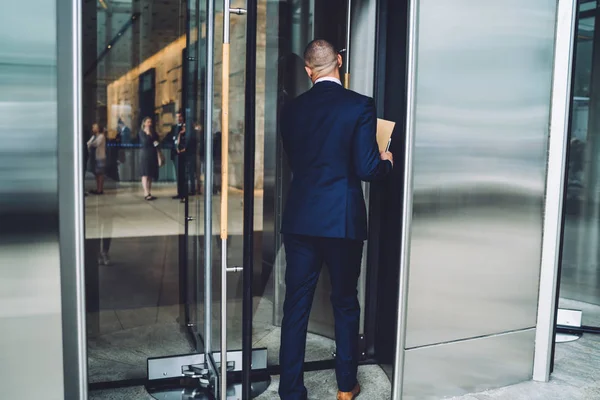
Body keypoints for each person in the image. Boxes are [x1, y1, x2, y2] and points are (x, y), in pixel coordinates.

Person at [278, 39, 394, 400]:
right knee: (344, 301)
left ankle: (291, 391)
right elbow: (366, 168)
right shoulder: (359, 105)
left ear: (309, 71)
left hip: (300, 220)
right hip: (342, 222)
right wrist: (386, 159)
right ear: (339, 63)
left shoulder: (291, 110)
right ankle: (346, 387)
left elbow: (300, 161)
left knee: (296, 306)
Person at [165, 110, 186, 199]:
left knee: (183, 174)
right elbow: (167, 139)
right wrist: (173, 146)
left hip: (183, 154)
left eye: (180, 117)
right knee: (178, 174)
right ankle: (179, 192)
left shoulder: (185, 128)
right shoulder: (174, 128)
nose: (178, 119)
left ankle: (184, 193)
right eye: (177, 117)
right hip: (175, 154)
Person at [138, 117, 160, 200]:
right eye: (148, 122)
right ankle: (145, 192)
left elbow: (157, 141)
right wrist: (147, 133)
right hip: (145, 154)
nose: (149, 124)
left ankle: (149, 192)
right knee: (145, 174)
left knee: (150, 174)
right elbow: (145, 142)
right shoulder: (142, 132)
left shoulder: (153, 132)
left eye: (150, 122)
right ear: (144, 123)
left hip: (152, 154)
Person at [87, 123, 106, 195]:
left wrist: (90, 144)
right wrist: (90, 144)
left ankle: (100, 189)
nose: (93, 129)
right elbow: (88, 143)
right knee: (96, 174)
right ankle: (98, 188)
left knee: (100, 174)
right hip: (94, 157)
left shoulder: (101, 136)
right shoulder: (93, 136)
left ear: (98, 129)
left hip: (100, 157)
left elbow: (95, 144)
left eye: (94, 127)